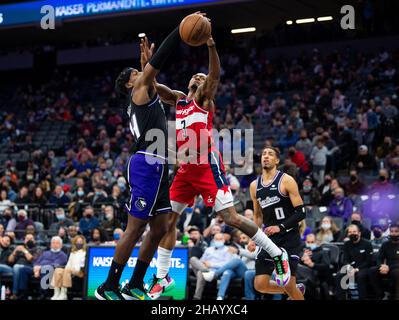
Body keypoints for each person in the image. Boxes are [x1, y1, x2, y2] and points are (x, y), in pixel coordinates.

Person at [140, 37, 290, 299]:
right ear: (188, 84)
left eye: (202, 76)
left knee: (231, 218)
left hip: (207, 165)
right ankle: (162, 277)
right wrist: (147, 65)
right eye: (195, 76)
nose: (200, 77)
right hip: (186, 169)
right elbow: (153, 86)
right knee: (167, 221)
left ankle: (278, 254)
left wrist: (211, 45)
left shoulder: (204, 99)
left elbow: (215, 74)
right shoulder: (180, 101)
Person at [95, 21, 182, 300]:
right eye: (137, 72)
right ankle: (107, 286)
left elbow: (176, 98)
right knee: (135, 228)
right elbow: (161, 58)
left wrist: (149, 72)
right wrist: (179, 29)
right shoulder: (138, 91)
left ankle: (134, 284)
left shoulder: (149, 89)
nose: (141, 71)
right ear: (131, 82)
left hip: (159, 164)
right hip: (146, 162)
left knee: (160, 227)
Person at [250, 147, 306, 300]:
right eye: (263, 154)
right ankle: (295, 291)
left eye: (270, 154)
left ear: (277, 161)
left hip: (289, 237)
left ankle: (292, 290)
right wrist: (253, 238)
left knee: (288, 285)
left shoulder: (286, 180)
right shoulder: (255, 186)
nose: (266, 157)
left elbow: (301, 212)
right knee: (260, 285)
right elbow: (257, 215)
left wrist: (280, 227)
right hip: (269, 240)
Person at [189, 232, 236, 300]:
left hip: (217, 273)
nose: (218, 240)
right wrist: (205, 265)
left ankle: (196, 298)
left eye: (220, 239)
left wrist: (211, 265)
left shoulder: (227, 250)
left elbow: (226, 264)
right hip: (206, 269)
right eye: (216, 239)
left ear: (223, 240)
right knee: (193, 259)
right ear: (213, 240)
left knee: (200, 273)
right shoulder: (209, 249)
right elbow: (201, 260)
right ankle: (207, 271)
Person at [335, 224, 373, 300]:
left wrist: (356, 270)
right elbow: (345, 259)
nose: (352, 234)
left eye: (354, 231)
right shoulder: (346, 244)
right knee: (339, 275)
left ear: (359, 233)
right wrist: (349, 268)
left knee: (360, 276)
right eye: (350, 232)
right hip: (350, 267)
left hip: (363, 267)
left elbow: (369, 261)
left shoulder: (367, 244)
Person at [51, 235, 87, 300]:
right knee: (58, 270)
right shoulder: (72, 252)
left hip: (80, 271)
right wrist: (65, 269)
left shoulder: (85, 252)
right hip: (70, 270)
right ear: (75, 243)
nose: (79, 243)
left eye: (80, 242)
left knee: (67, 270)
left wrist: (70, 270)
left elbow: (83, 265)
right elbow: (68, 264)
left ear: (83, 243)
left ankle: (64, 293)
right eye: (77, 242)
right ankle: (56, 292)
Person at [368, 224, 399, 299]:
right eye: (391, 231)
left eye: (396, 231)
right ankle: (380, 294)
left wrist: (389, 267)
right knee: (372, 271)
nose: (393, 233)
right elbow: (379, 258)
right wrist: (381, 266)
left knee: (396, 273)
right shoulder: (385, 244)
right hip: (386, 267)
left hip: (396, 267)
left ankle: (395, 295)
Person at [7, 234, 42, 299]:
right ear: (24, 240)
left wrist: (24, 250)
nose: (29, 240)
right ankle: (17, 293)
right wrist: (14, 251)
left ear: (34, 241)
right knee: (16, 267)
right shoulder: (19, 248)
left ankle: (15, 293)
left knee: (16, 267)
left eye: (31, 239)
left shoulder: (37, 249)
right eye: (27, 239)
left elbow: (32, 259)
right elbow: (10, 261)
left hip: (29, 267)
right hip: (15, 268)